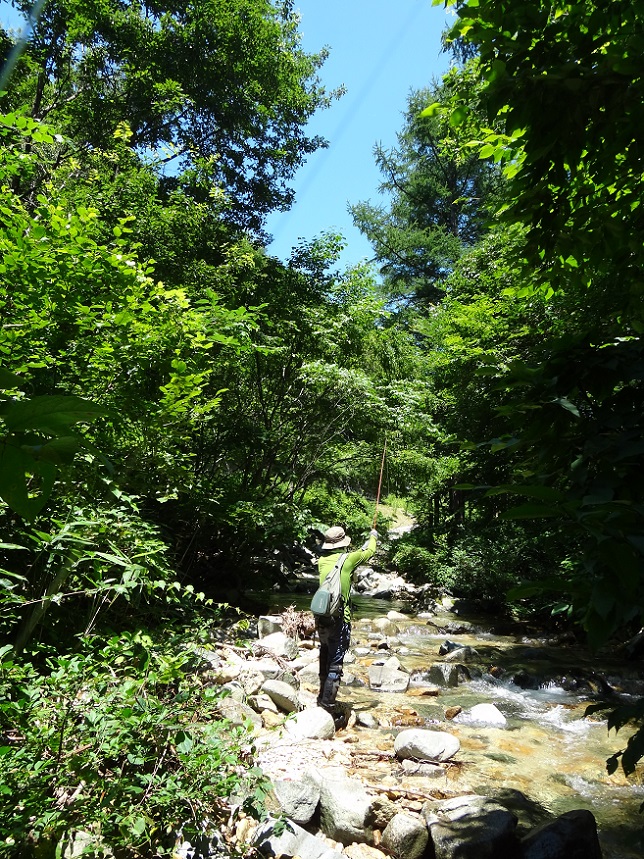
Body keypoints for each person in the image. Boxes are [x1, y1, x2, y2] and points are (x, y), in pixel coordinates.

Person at [315, 525, 378, 717]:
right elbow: (369, 552)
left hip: (322, 615)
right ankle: (328, 706)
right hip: (339, 618)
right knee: (335, 662)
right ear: (343, 543)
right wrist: (373, 536)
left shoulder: (321, 561)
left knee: (325, 653)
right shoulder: (348, 560)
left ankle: (321, 698)